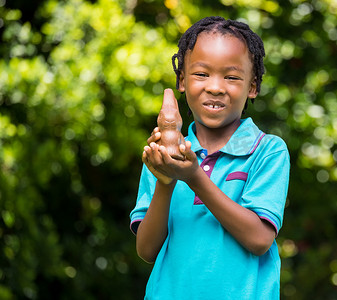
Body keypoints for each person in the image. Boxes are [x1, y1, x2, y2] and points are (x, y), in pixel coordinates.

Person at [130, 16, 290, 299]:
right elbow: (146, 250)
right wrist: (166, 181)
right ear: (182, 80)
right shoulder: (163, 156)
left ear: (252, 86)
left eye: (231, 77)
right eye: (202, 74)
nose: (215, 87)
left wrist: (193, 177)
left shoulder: (268, 151)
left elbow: (259, 239)